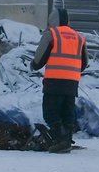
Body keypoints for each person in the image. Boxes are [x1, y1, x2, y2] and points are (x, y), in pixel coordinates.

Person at [30, 10, 87, 152]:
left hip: (54, 81)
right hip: (72, 82)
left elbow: (38, 60)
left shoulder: (52, 35)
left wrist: (33, 65)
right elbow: (84, 63)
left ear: (52, 21)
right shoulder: (79, 37)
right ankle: (66, 140)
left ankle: (61, 141)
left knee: (51, 113)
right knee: (67, 113)